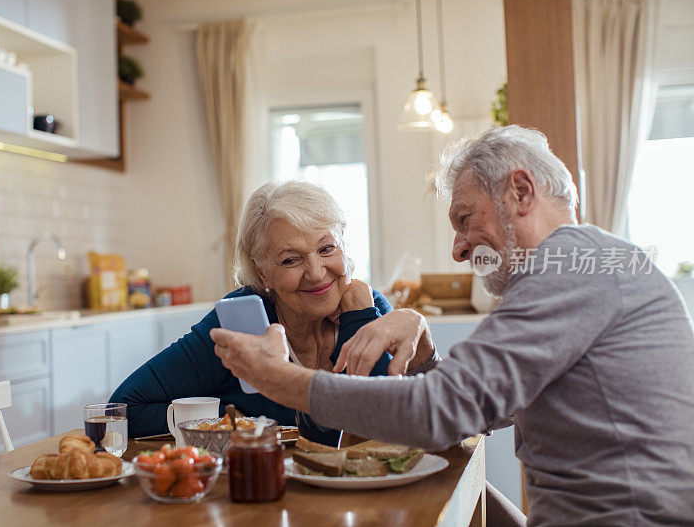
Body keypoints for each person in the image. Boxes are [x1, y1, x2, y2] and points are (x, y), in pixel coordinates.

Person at [211, 126, 694, 525]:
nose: (459, 249)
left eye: (465, 219)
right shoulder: (587, 265)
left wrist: (279, 380)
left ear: (520, 192)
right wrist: (422, 351)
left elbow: (437, 413)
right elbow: (471, 414)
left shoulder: (569, 268)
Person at [110, 180, 436, 440]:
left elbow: (379, 423)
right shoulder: (240, 321)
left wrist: (358, 320)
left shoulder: (367, 306)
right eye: (290, 259)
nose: (317, 272)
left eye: (326, 249)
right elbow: (120, 411)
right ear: (263, 272)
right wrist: (227, 418)